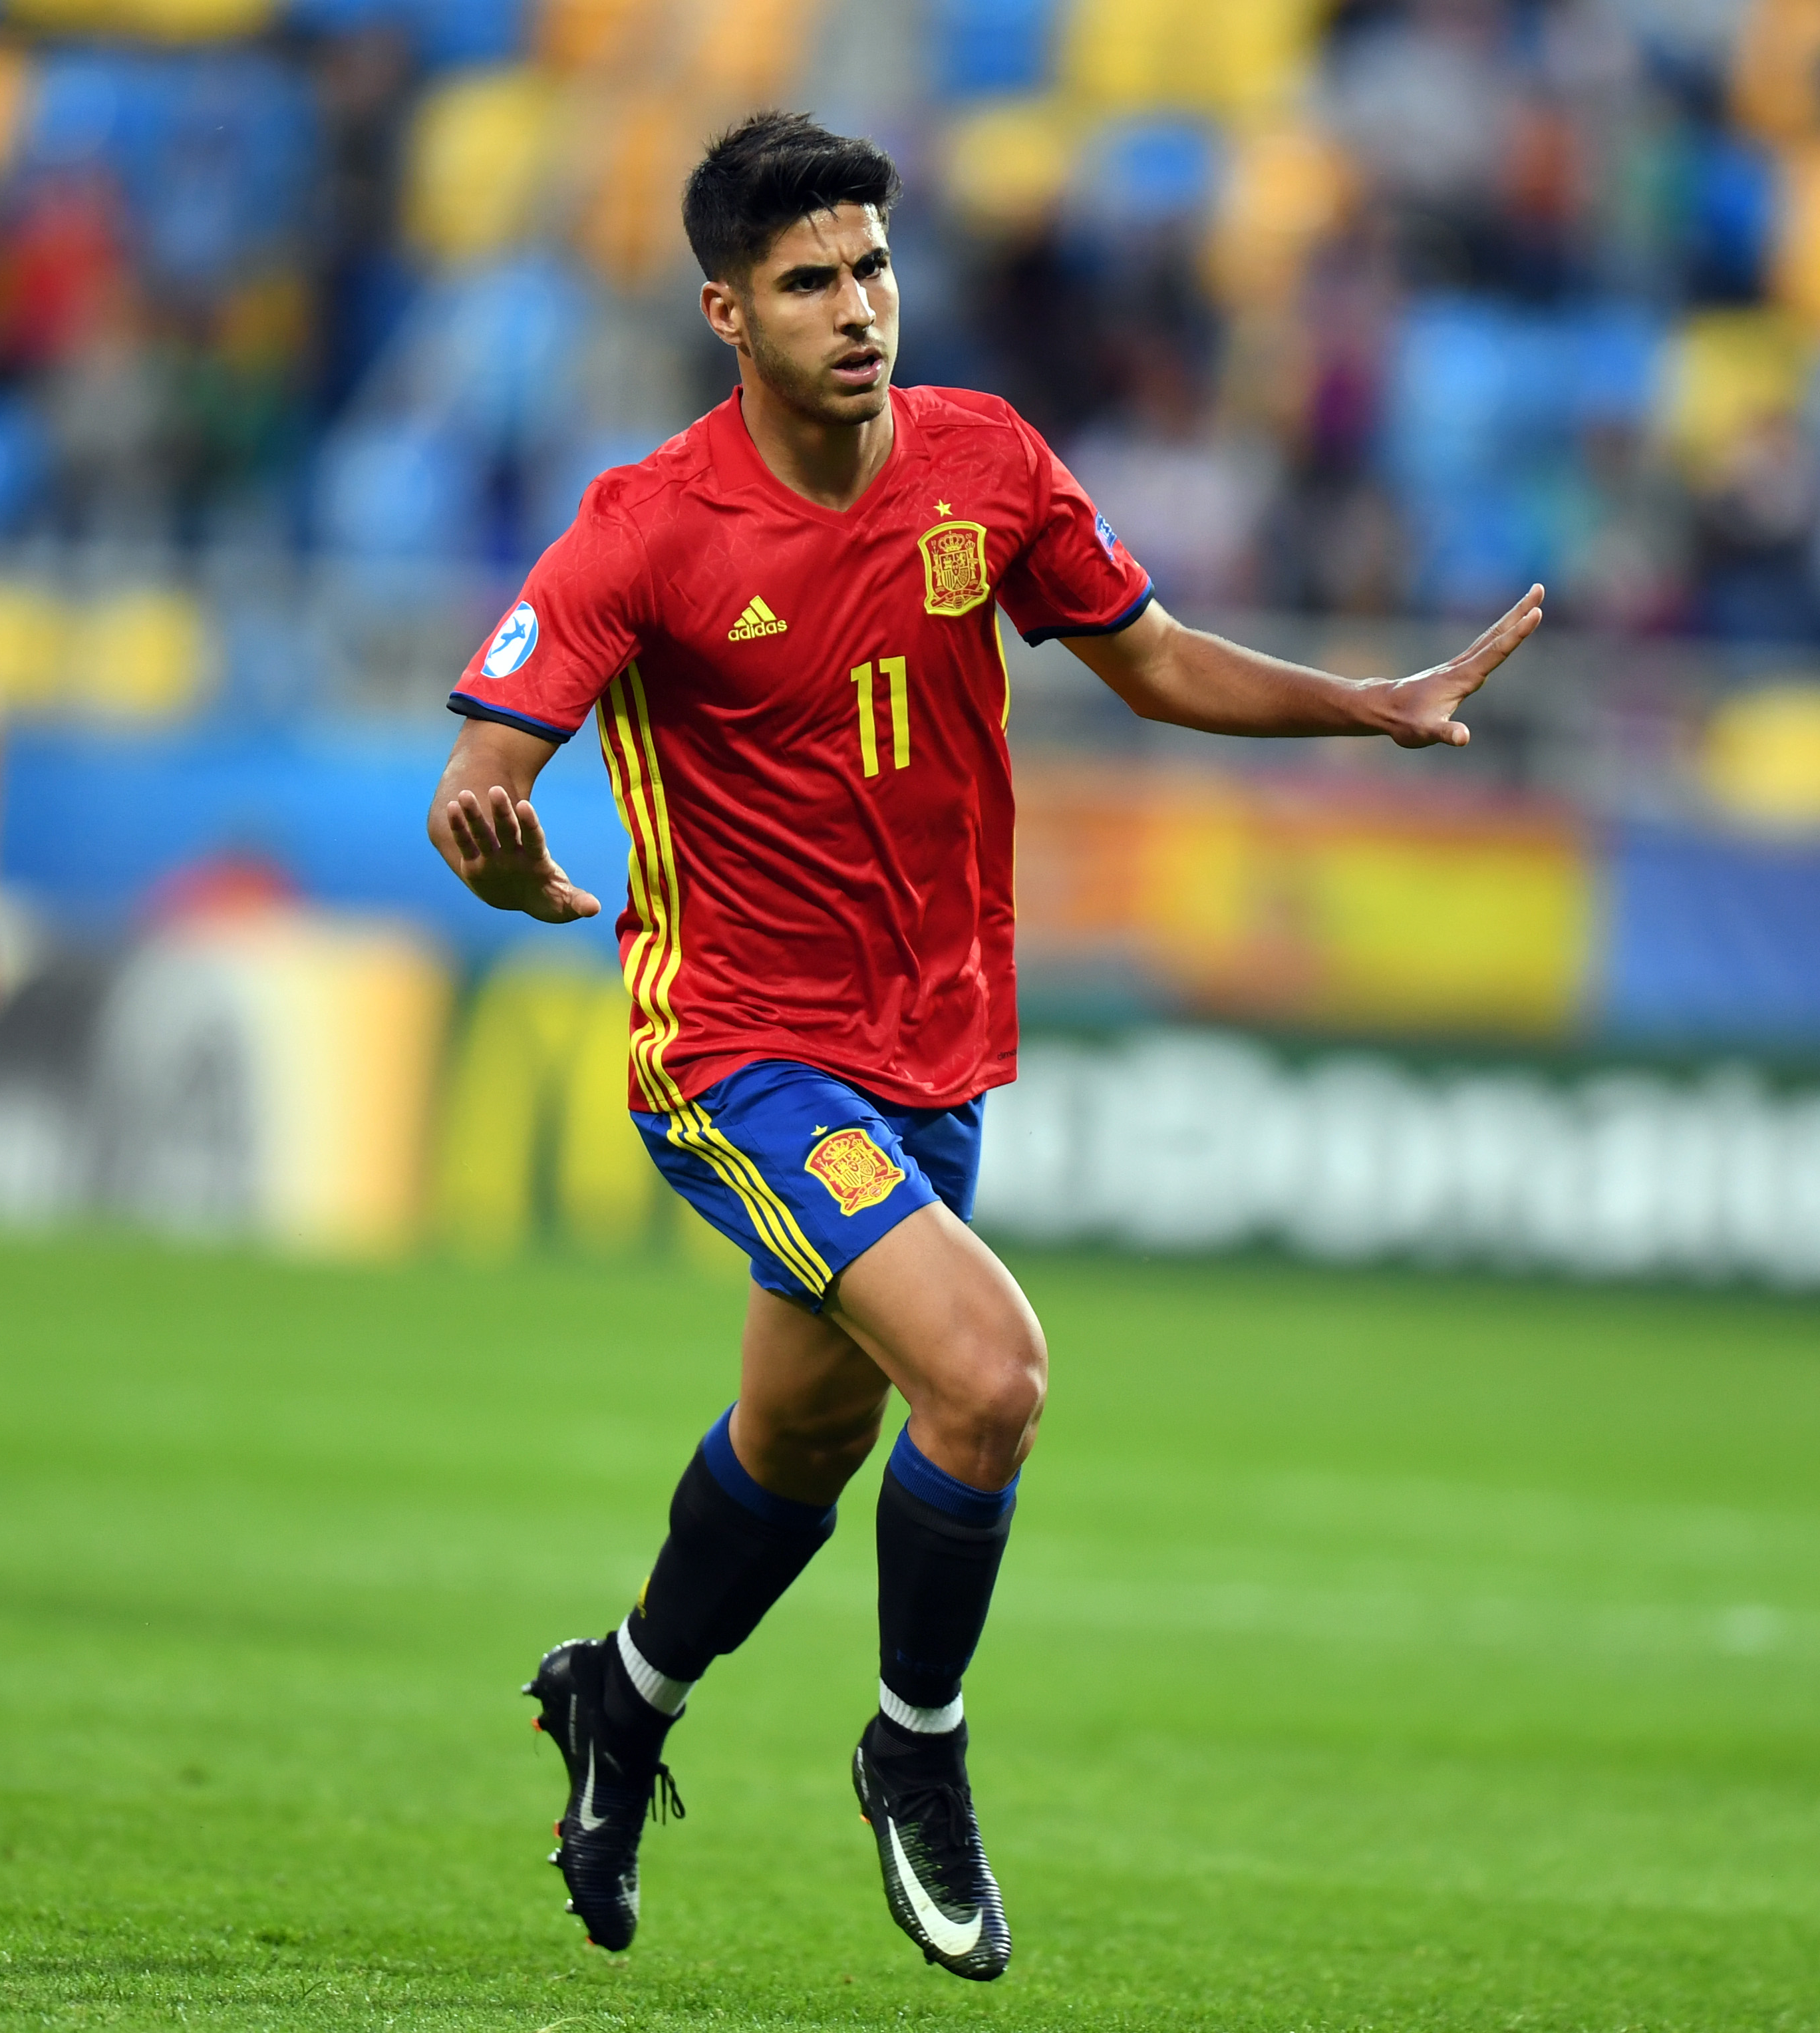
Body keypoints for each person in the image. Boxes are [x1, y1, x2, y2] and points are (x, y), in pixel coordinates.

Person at [425, 113, 1540, 1980]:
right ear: (728, 310)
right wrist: (494, 838)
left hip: (936, 1047)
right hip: (734, 1048)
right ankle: (914, 1752)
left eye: (871, 268)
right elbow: (485, 764)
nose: (859, 309)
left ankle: (620, 1694)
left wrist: (1373, 703)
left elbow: (1154, 653)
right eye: (810, 283)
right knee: (992, 1378)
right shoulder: (644, 524)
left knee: (802, 1433)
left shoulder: (987, 462)